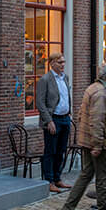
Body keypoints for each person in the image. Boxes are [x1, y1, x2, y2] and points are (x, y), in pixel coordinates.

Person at [58, 63, 106, 210]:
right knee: (103, 176)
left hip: (86, 140)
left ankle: (68, 208)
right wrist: (97, 144)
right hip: (97, 142)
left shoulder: (92, 88)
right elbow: (97, 121)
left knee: (86, 174)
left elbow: (82, 115)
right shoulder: (102, 94)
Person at [35, 53, 73, 193]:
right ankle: (49, 181)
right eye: (59, 62)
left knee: (61, 151)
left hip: (65, 119)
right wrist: (49, 121)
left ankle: (58, 179)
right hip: (53, 119)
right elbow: (40, 103)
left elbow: (65, 97)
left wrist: (69, 114)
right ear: (51, 63)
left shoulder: (65, 78)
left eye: (64, 62)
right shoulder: (45, 80)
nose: (63, 65)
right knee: (50, 151)